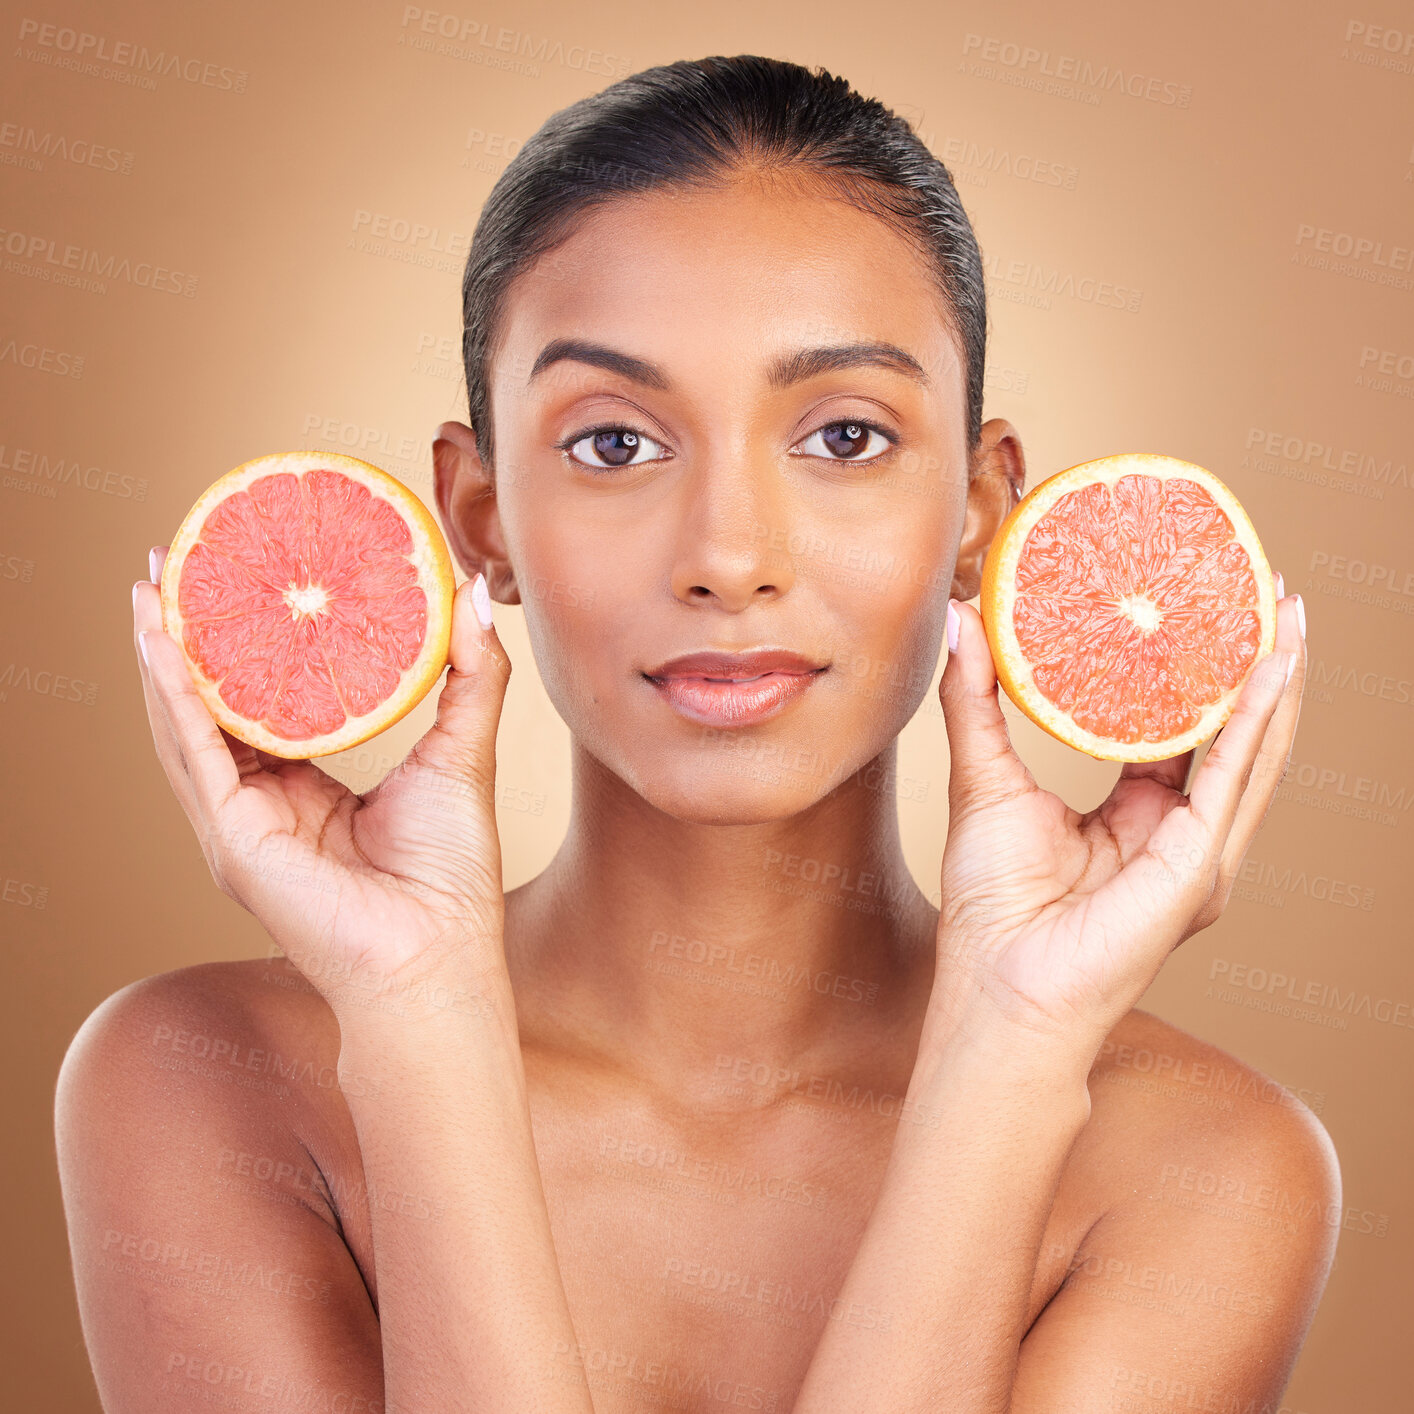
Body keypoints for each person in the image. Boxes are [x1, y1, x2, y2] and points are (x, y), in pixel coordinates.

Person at [57, 54, 1333, 1414]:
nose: (729, 556)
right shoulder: (204, 1084)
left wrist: (1010, 1051)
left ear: (979, 515)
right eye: (614, 444)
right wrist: (417, 1018)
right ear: (480, 520)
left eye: (842, 434)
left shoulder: (1208, 1167)